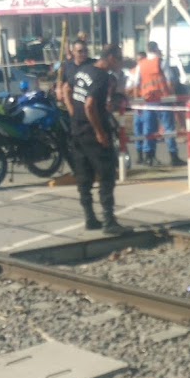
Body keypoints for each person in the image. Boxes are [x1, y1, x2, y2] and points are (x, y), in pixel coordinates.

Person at [69, 43, 127, 235]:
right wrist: (100, 132)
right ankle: (109, 221)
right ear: (110, 58)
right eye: (119, 59)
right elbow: (90, 106)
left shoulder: (84, 70)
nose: (119, 64)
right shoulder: (101, 77)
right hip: (93, 133)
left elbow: (66, 90)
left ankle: (90, 218)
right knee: (106, 175)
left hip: (77, 130)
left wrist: (73, 113)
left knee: (84, 177)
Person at [136, 41, 184, 166]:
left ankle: (149, 156)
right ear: (156, 49)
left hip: (148, 101)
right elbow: (170, 81)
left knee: (149, 129)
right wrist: (172, 97)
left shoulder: (141, 65)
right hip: (163, 100)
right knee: (168, 128)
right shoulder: (161, 62)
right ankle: (173, 156)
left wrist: (138, 100)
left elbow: (136, 84)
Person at [56, 35, 93, 112]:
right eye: (80, 51)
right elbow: (60, 83)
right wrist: (59, 90)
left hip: (87, 104)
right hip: (71, 104)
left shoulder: (92, 65)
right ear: (73, 52)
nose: (83, 54)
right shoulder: (67, 66)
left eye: (85, 51)